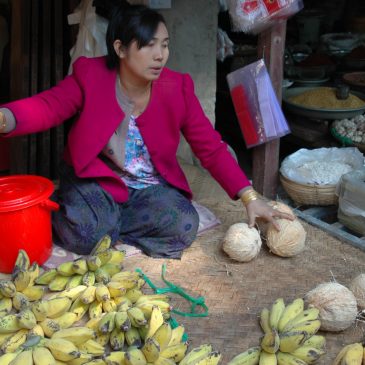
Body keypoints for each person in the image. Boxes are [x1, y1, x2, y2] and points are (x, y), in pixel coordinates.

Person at [0, 1, 293, 258]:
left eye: (164, 44)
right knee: (87, 235)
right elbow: (48, 105)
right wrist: (5, 117)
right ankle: (94, 217)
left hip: (146, 188)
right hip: (96, 179)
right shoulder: (90, 76)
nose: (160, 55)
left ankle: (105, 224)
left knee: (184, 224)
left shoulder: (177, 88)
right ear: (121, 48)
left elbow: (210, 147)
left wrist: (249, 196)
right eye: (148, 45)